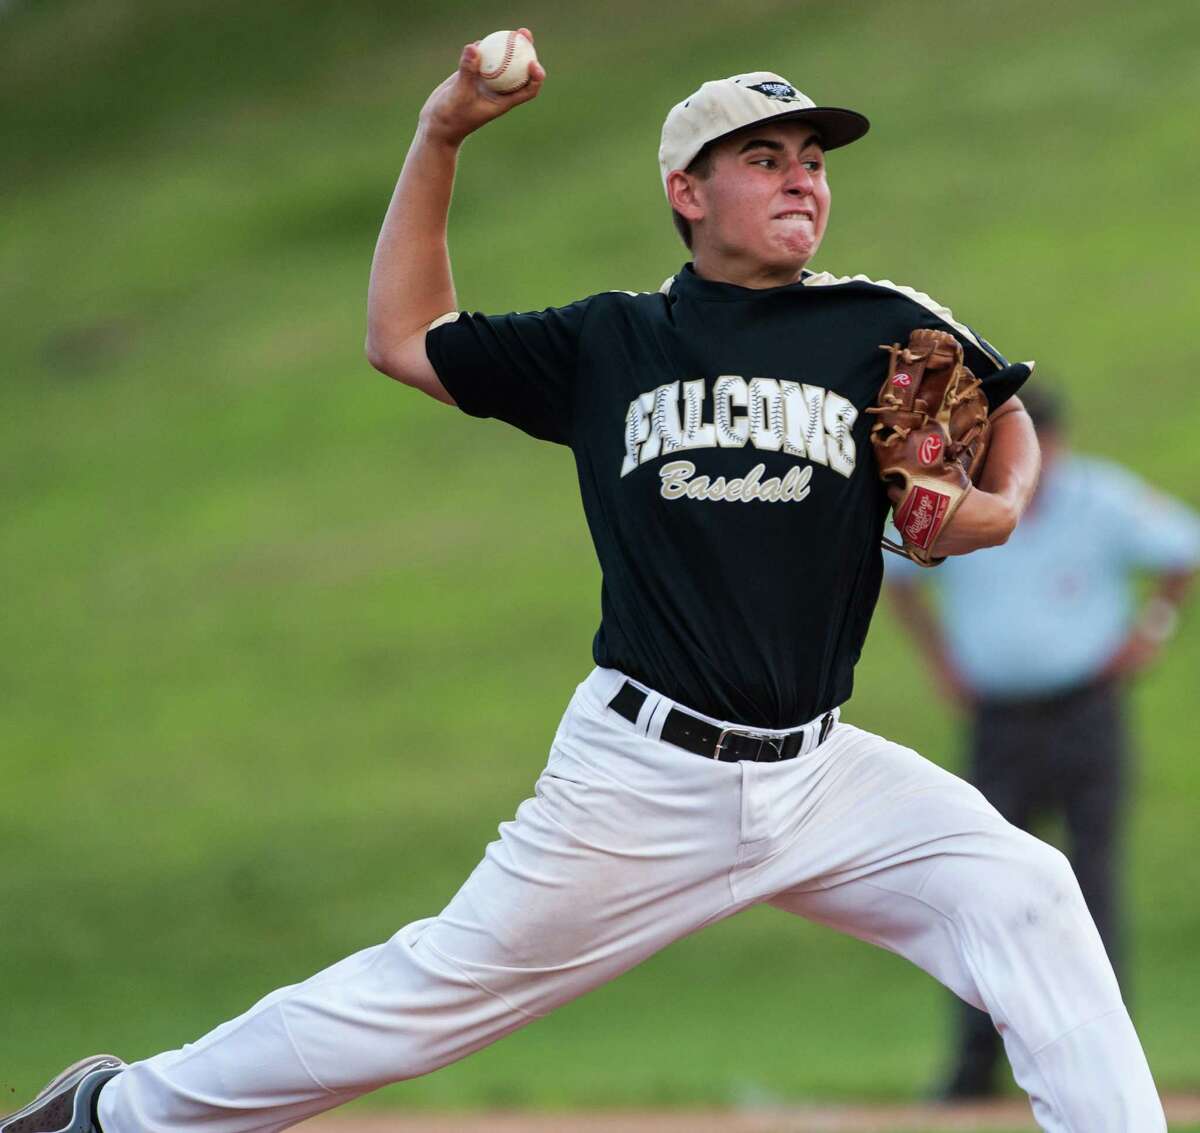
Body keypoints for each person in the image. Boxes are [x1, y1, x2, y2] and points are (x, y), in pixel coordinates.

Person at [3, 34, 1168, 1133]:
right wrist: (440, 135)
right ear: (687, 192)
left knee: (1027, 892)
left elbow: (1000, 414)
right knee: (425, 1000)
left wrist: (998, 506)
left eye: (813, 161)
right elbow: (405, 336)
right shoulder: (611, 343)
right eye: (763, 159)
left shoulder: (881, 323)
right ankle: (120, 1113)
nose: (802, 180)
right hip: (644, 777)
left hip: (823, 774)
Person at [886, 384, 1199, 1101]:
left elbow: (1184, 545)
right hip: (998, 720)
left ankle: (1102, 1072)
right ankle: (973, 1072)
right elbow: (897, 573)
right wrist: (940, 661)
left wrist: (1149, 630)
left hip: (1085, 711)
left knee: (1092, 884)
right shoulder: (960, 503)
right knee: (982, 888)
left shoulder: (1101, 498)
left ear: (1052, 442)